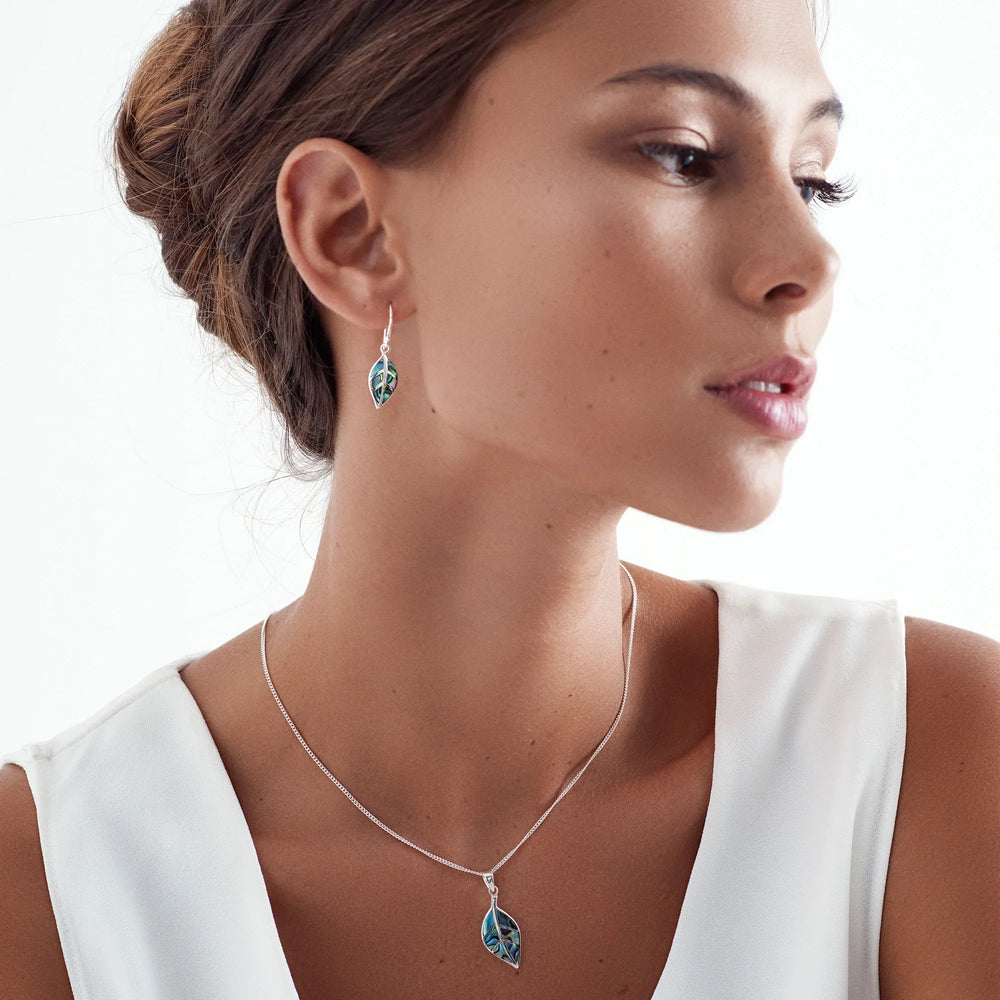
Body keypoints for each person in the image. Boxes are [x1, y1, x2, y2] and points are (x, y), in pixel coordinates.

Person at [1, 0, 997, 996]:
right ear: (353, 233)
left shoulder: (932, 762)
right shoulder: (48, 882)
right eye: (683, 155)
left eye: (813, 178)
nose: (810, 263)